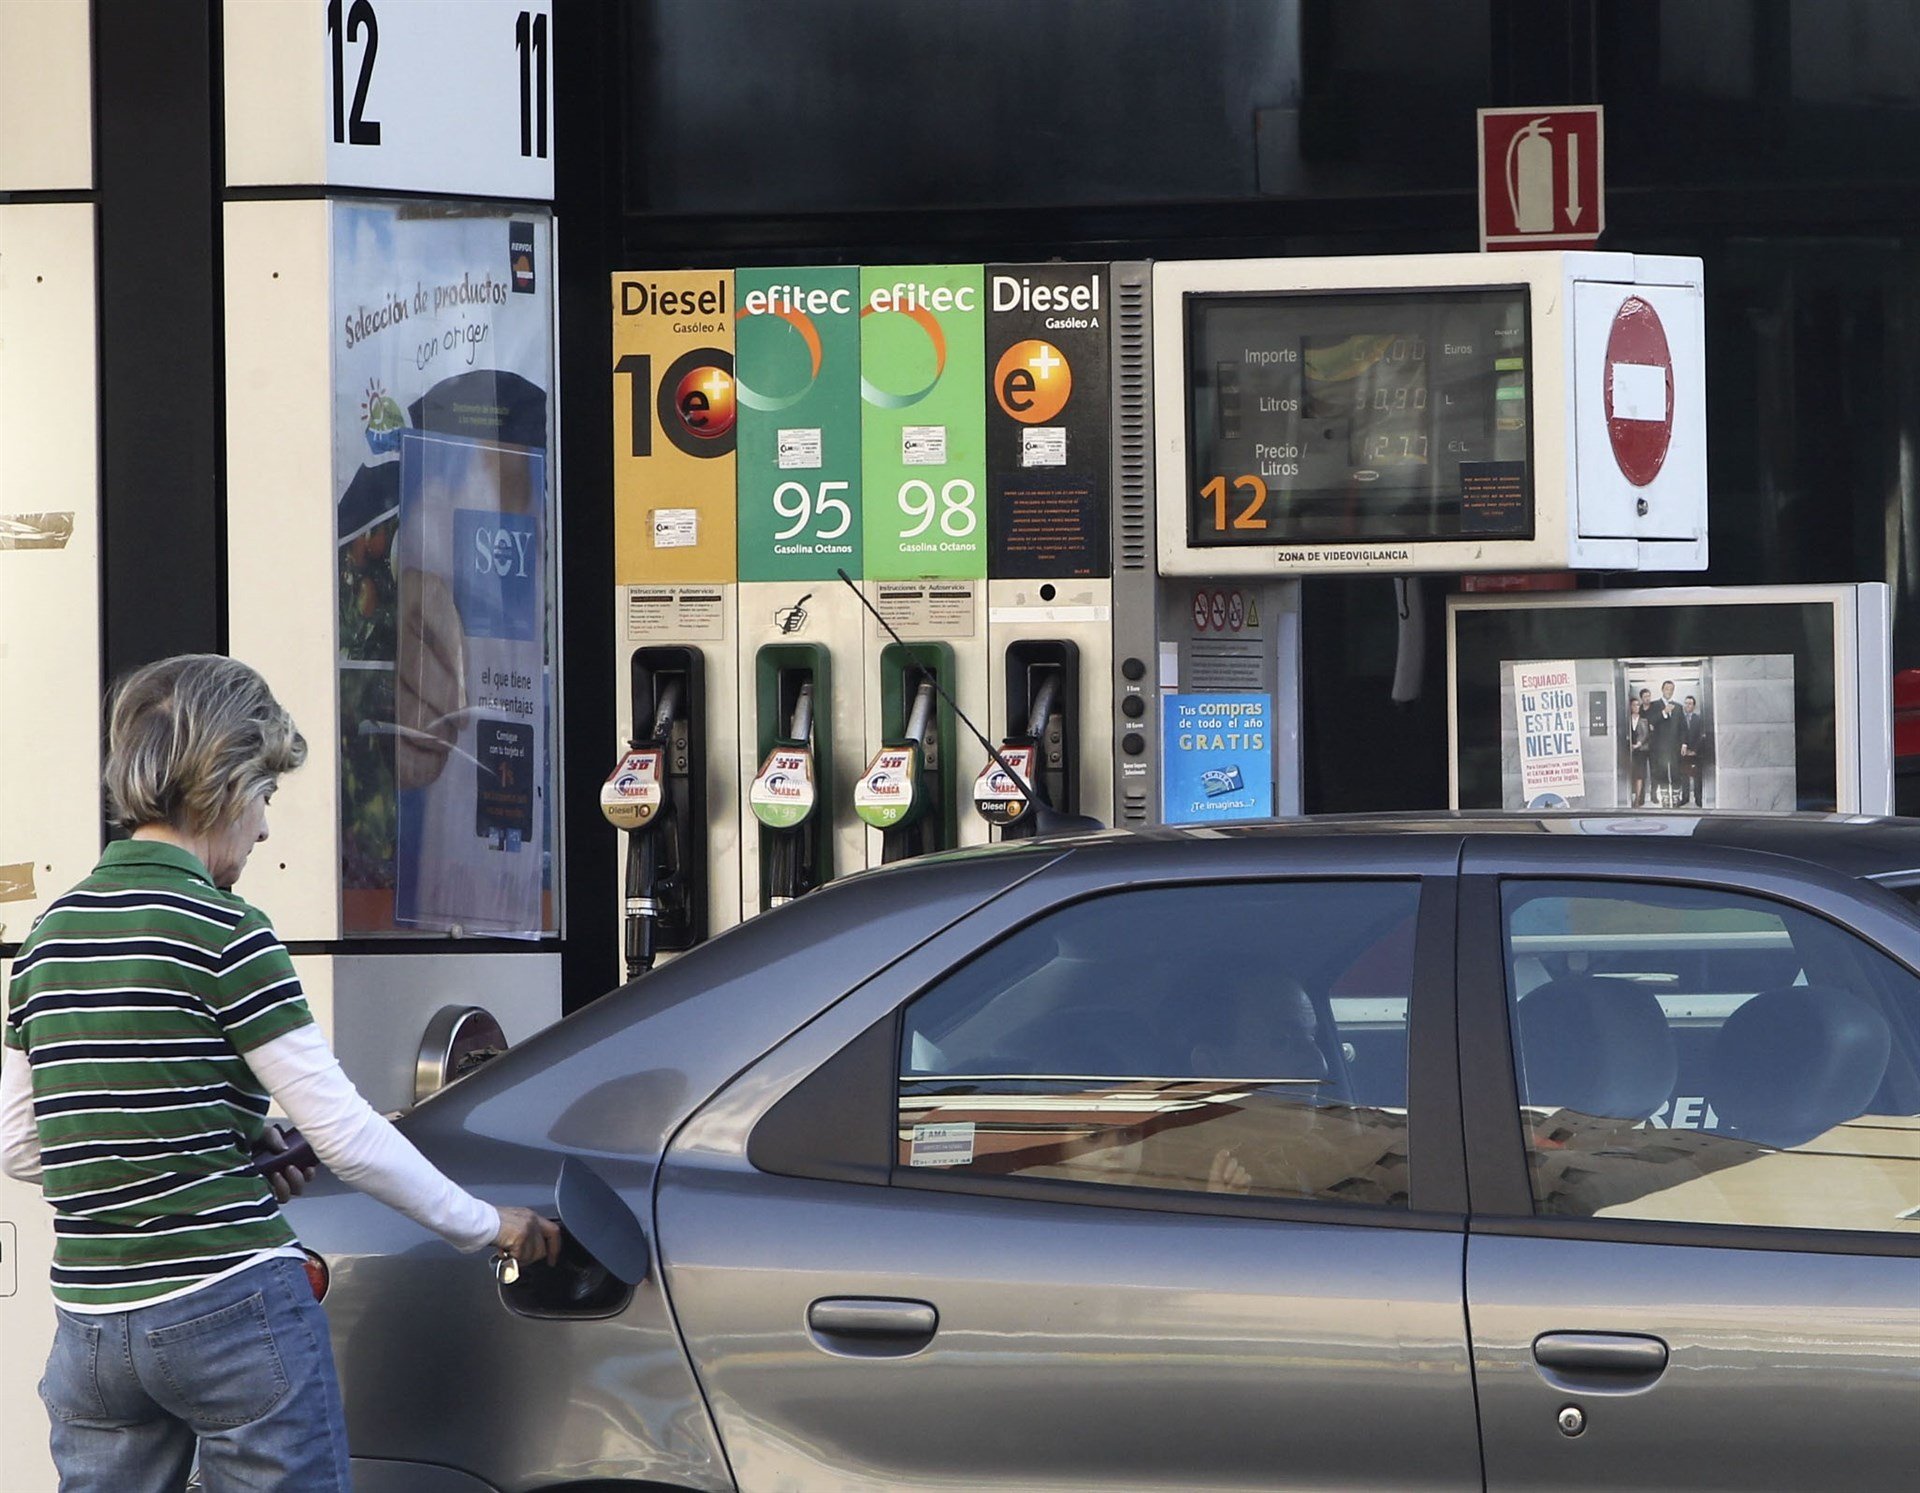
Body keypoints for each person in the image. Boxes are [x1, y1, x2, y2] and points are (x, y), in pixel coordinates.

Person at [0, 654, 560, 1493]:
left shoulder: (48, 936)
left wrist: (225, 1144)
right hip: (230, 1308)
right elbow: (344, 1133)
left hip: (89, 1331)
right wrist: (488, 1224)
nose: (264, 830)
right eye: (265, 796)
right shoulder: (228, 931)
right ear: (224, 786)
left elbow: (20, 1143)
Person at [1648, 679, 1684, 807]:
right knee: (1662, 772)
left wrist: (1684, 744)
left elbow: (1683, 727)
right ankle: (1664, 798)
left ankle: (1675, 797)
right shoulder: (1654, 705)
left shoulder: (1679, 707)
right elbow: (1650, 721)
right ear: (1662, 690)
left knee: (1676, 772)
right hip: (1659, 747)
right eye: (1667, 689)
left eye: (1671, 689)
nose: (1669, 691)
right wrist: (1664, 712)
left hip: (1675, 746)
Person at [1681, 693, 1707, 807]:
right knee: (1684, 776)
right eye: (1686, 703)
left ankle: (1698, 799)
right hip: (1683, 753)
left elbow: (1702, 735)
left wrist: (1695, 750)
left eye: (1690, 703)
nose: (1687, 705)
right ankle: (1685, 798)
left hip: (1696, 753)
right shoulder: (1680, 718)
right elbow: (1677, 735)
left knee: (1697, 777)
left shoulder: (1699, 719)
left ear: (1694, 706)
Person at [1629, 691, 1653, 807]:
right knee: (1632, 774)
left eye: (1638, 705)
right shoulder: (1627, 720)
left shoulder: (1644, 720)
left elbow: (1645, 735)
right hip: (1629, 752)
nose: (1636, 707)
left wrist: (1638, 744)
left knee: (1640, 775)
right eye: (1634, 705)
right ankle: (1633, 796)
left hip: (1641, 751)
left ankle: (1638, 799)